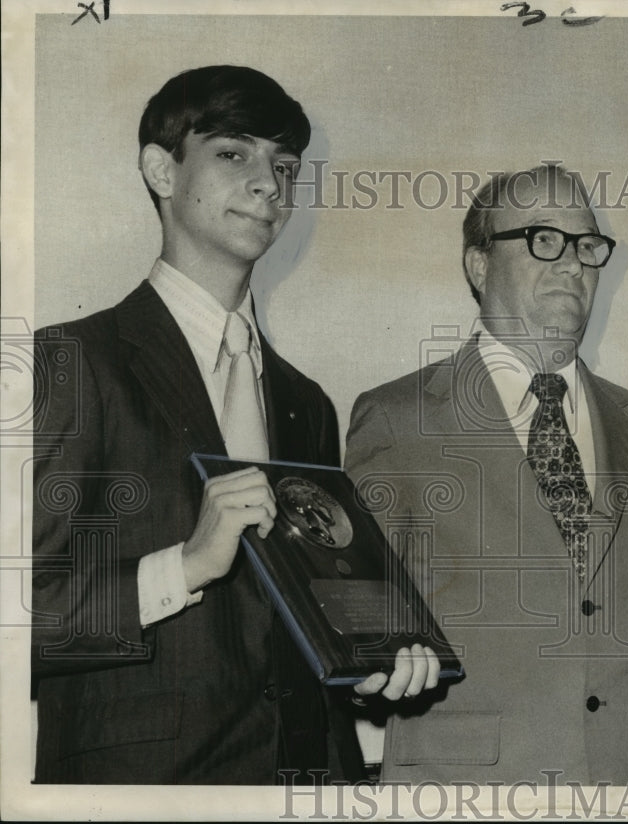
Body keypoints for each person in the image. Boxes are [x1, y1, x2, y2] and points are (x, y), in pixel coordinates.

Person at [31, 65, 435, 785]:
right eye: (232, 153)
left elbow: (300, 617)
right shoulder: (70, 363)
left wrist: (373, 661)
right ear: (161, 168)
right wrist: (182, 566)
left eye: (283, 165)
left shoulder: (305, 402)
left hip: (311, 780)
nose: (269, 185)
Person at [344, 165, 628, 785]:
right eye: (542, 239)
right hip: (467, 789)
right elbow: (358, 617)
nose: (572, 264)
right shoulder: (397, 420)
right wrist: (372, 668)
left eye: (586, 245)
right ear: (478, 265)